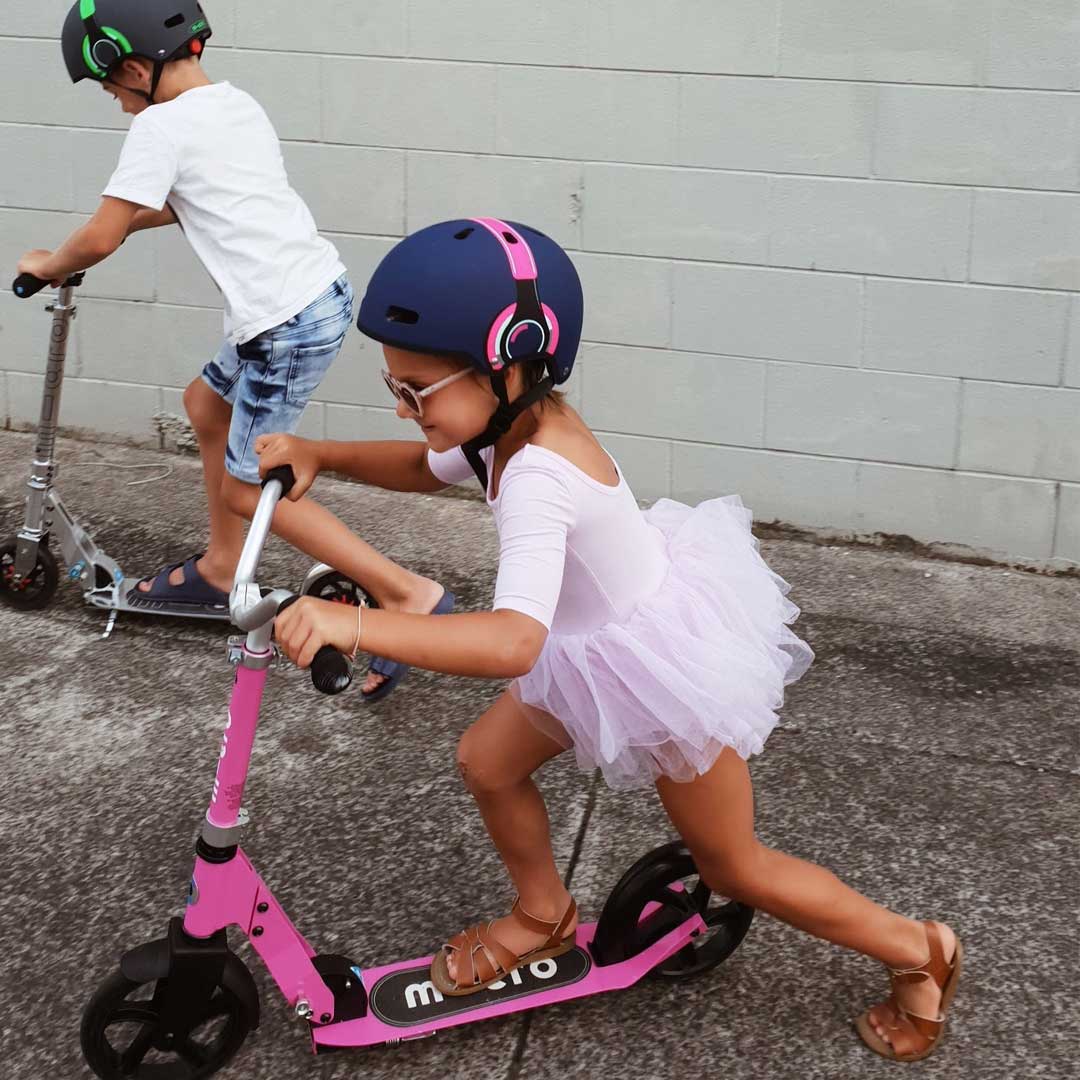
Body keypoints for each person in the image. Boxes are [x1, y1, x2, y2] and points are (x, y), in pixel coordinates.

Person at [263, 218, 962, 1062]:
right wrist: (321, 453)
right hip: (591, 649)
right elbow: (423, 468)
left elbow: (514, 641)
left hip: (658, 671)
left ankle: (920, 952)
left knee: (735, 867)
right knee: (488, 761)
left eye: (416, 391)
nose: (404, 409)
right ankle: (543, 916)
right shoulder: (500, 428)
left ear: (512, 362)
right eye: (395, 389)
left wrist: (358, 620)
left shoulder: (538, 476)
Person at [16, 2, 447, 697]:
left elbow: (100, 235)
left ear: (134, 68)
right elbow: (190, 198)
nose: (119, 106)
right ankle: (221, 568)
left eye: (112, 92)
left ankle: (406, 595)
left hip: (282, 325)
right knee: (203, 404)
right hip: (310, 299)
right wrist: (119, 223)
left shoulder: (158, 124)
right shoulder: (233, 103)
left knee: (252, 489)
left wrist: (51, 262)